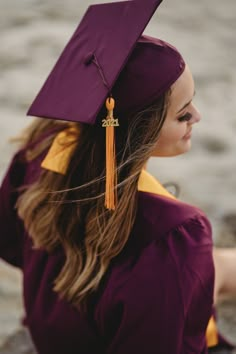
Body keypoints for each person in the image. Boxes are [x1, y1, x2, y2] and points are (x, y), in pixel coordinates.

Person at [0, 0, 234, 353]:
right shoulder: (175, 232)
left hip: (53, 332)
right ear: (140, 132)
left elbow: (9, 243)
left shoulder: (43, 147)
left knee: (223, 263)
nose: (197, 117)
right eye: (183, 114)